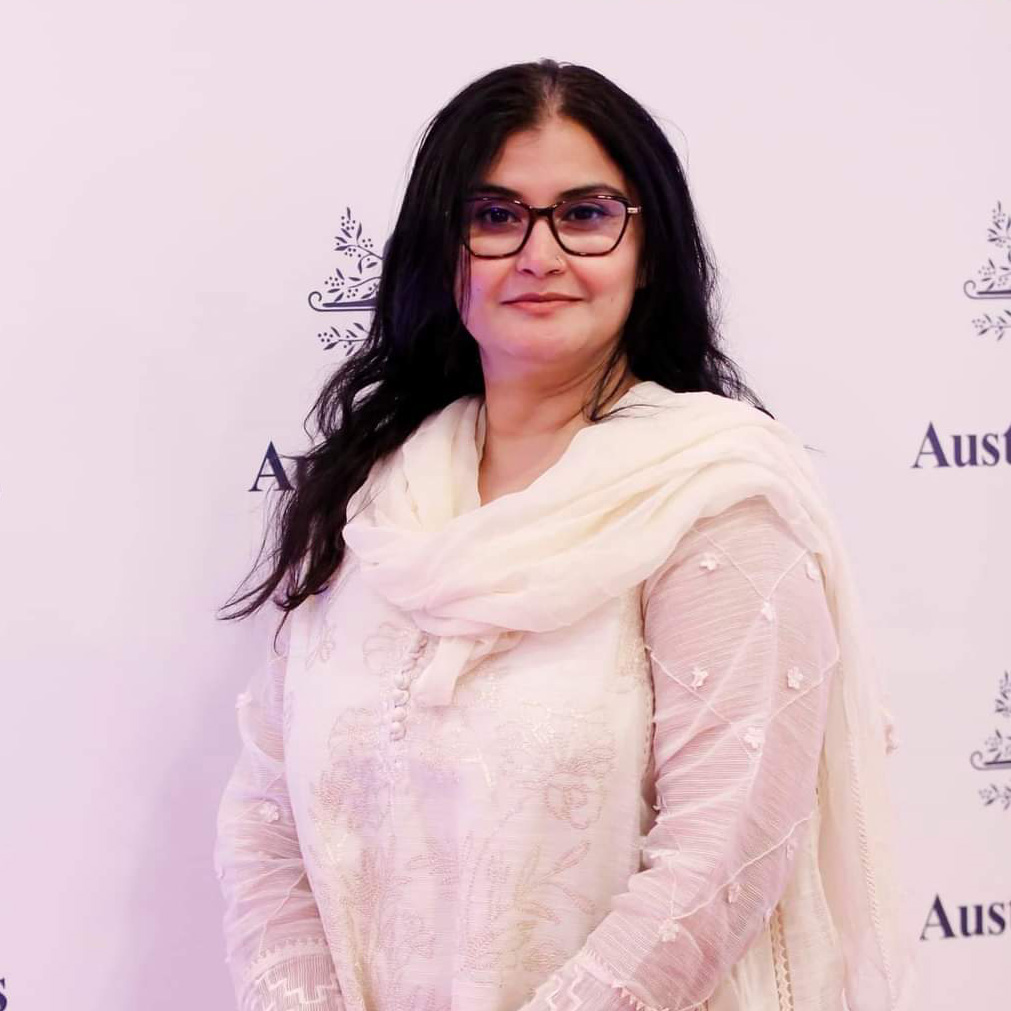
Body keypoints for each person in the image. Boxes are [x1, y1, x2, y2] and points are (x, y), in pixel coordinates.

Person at [213, 59, 913, 1011]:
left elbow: (723, 854)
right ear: (441, 250)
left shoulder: (710, 498)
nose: (537, 253)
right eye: (495, 216)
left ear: (647, 247)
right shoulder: (372, 499)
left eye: (583, 214)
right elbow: (267, 819)